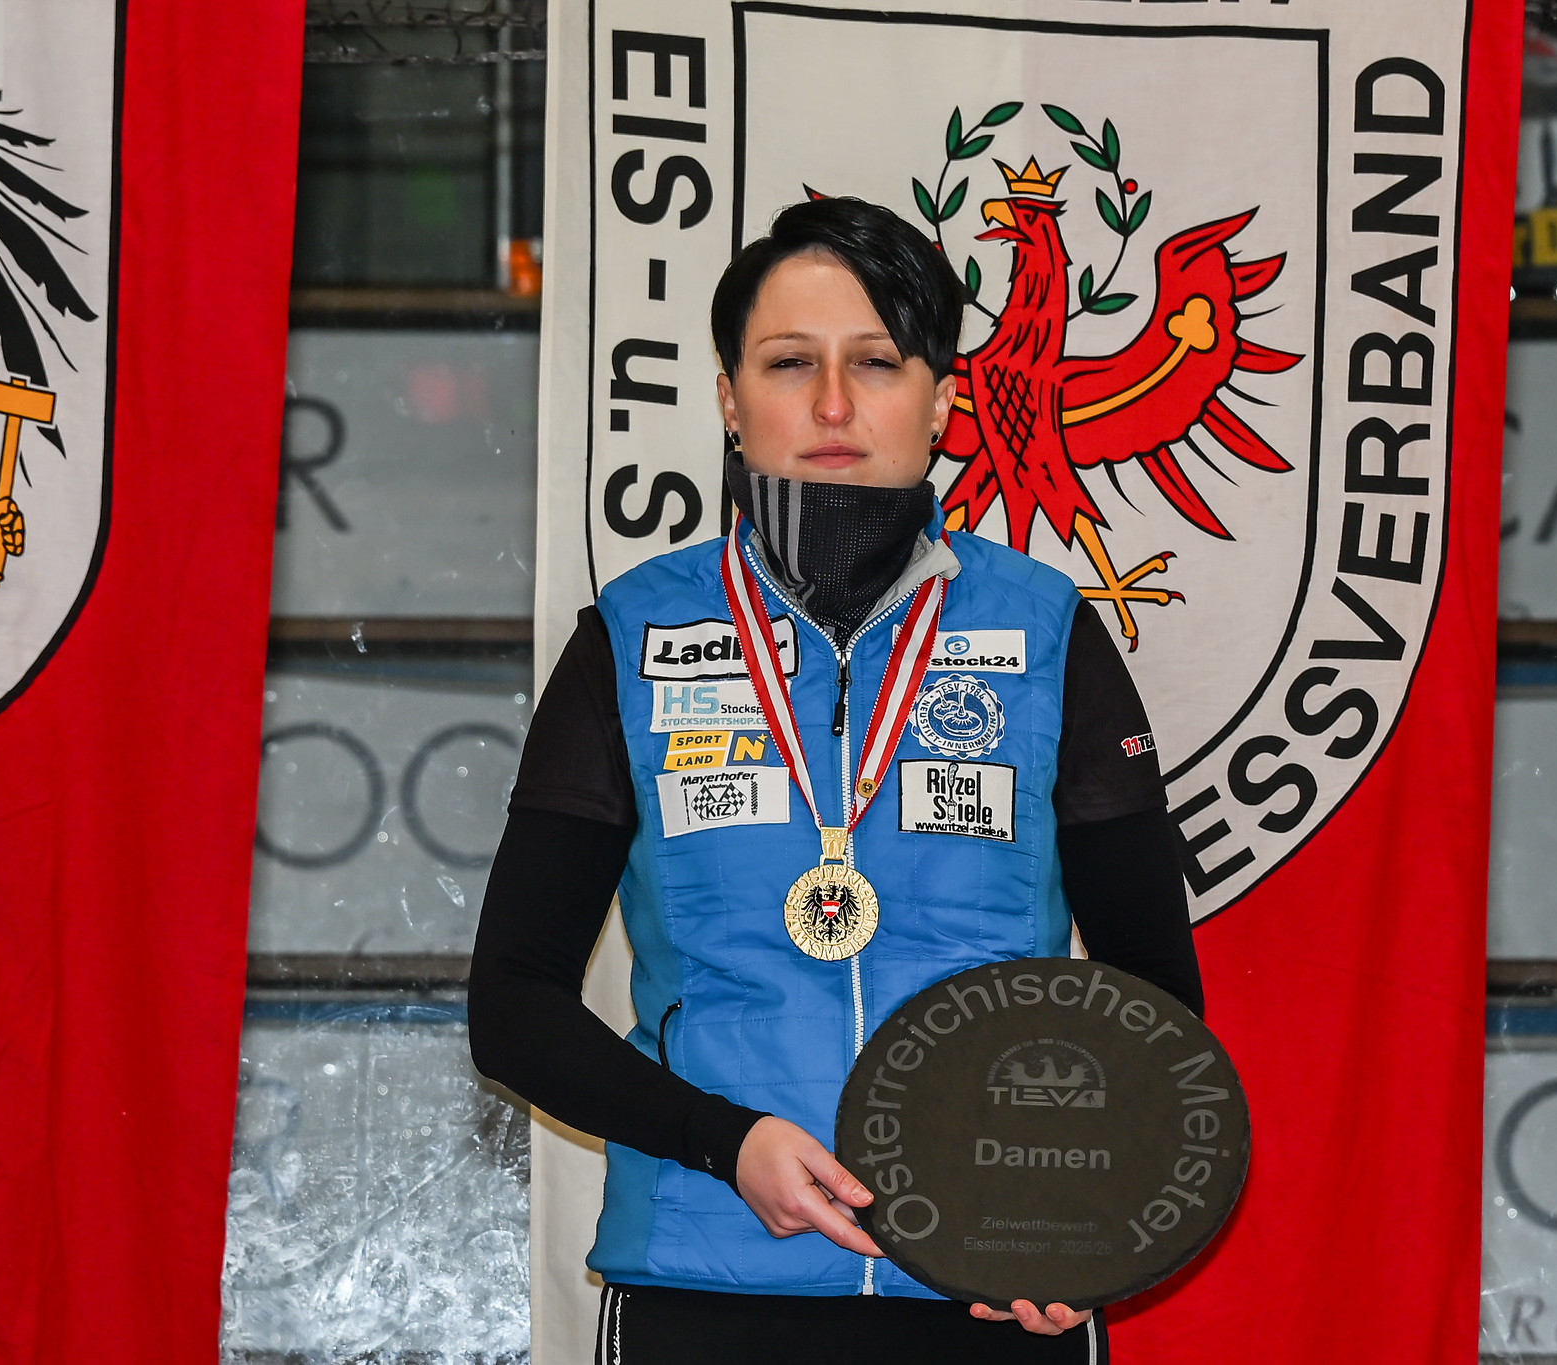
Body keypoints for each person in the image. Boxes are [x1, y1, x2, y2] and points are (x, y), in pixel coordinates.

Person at [468, 196, 1201, 1364]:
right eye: (786, 363)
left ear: (943, 399)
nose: (829, 405)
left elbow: (1152, 997)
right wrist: (724, 1142)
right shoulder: (630, 636)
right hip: (705, 1285)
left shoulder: (1047, 631)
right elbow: (513, 1003)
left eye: (875, 363)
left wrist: (1083, 1226)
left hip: (983, 1289)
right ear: (725, 397)